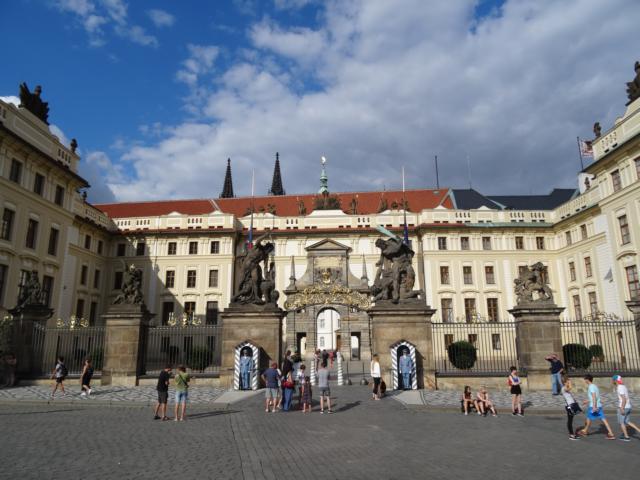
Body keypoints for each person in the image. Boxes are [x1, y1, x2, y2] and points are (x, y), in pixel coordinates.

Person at [577, 374, 614, 439]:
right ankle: (611, 433)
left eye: (585, 379)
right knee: (603, 419)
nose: (584, 381)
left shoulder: (591, 387)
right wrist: (587, 401)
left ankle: (585, 431)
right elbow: (594, 397)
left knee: (589, 418)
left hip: (593, 406)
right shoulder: (594, 386)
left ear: (587, 380)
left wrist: (594, 407)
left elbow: (594, 396)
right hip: (598, 405)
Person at [613, 375, 640, 442]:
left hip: (623, 407)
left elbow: (624, 399)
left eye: (613, 380)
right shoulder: (623, 386)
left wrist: (622, 408)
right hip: (628, 406)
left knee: (621, 422)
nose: (612, 381)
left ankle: (626, 437)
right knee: (627, 421)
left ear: (615, 380)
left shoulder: (619, 387)